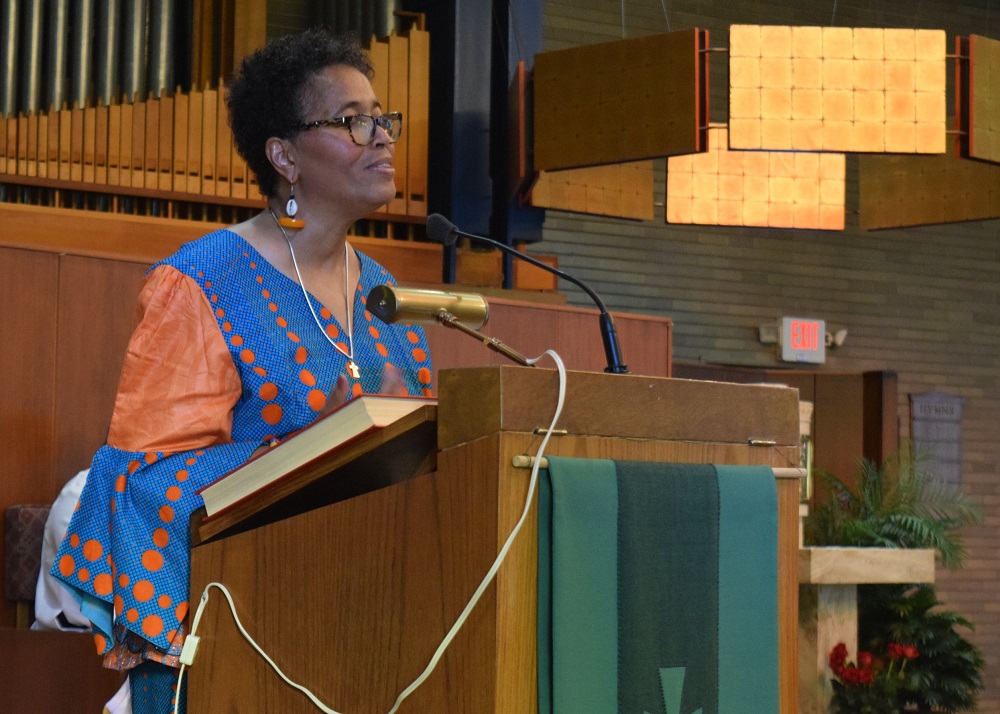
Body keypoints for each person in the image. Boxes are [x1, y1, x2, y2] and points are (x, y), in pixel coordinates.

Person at [51, 28, 433, 714]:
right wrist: (309, 448)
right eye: (353, 120)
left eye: (382, 117)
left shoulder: (387, 296)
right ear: (283, 155)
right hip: (240, 643)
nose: (381, 136)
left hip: (376, 629)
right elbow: (140, 482)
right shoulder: (201, 283)